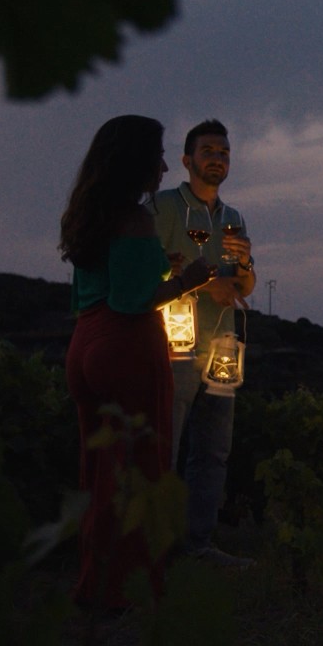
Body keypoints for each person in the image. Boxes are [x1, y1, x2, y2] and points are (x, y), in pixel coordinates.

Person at [60, 114, 215, 608]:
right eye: (159, 156)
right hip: (125, 348)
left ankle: (95, 581)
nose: (166, 166)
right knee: (136, 470)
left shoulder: (89, 212)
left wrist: (158, 267)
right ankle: (128, 589)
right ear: (136, 162)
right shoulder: (136, 217)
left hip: (85, 342)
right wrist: (190, 279)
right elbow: (136, 301)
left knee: (99, 468)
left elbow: (106, 284)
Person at [152, 119, 255, 569]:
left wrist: (245, 264)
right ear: (187, 160)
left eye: (225, 152)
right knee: (165, 444)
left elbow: (243, 287)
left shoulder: (234, 218)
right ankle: (152, 545)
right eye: (209, 150)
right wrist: (201, 286)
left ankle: (198, 543)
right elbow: (147, 272)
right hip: (174, 344)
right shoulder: (162, 208)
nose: (218, 157)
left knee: (213, 449)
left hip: (224, 346)